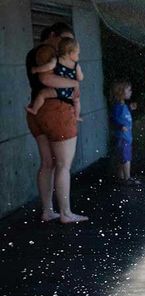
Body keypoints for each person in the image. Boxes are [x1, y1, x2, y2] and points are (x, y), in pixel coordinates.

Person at [25, 22, 88, 224]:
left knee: (48, 163)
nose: (66, 44)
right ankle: (66, 213)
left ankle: (48, 211)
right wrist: (74, 83)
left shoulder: (33, 53)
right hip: (57, 110)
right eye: (64, 39)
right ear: (53, 35)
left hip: (39, 112)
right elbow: (46, 79)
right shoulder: (47, 51)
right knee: (62, 165)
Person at [28, 38, 83, 122]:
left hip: (57, 89)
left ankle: (34, 110)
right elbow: (80, 78)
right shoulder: (76, 65)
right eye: (78, 54)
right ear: (71, 54)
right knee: (77, 101)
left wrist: (36, 69)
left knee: (42, 94)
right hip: (70, 92)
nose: (78, 56)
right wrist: (80, 76)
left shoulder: (56, 60)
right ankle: (77, 116)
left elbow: (48, 67)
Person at [109, 79, 140, 186]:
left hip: (125, 137)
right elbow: (113, 118)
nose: (131, 92)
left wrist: (130, 109)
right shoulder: (118, 107)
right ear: (121, 92)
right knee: (126, 157)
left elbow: (122, 117)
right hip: (123, 137)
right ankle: (127, 178)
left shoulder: (122, 106)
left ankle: (121, 177)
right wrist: (120, 126)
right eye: (129, 90)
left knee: (122, 157)